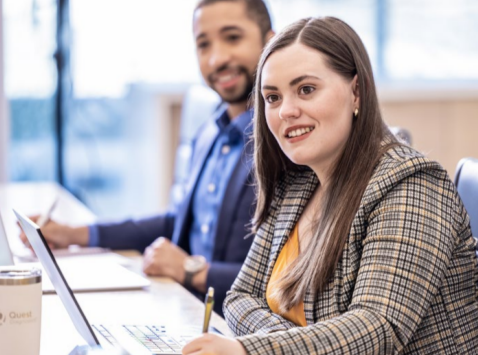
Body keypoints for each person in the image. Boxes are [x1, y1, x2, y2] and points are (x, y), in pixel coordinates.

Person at [182, 17, 478, 355]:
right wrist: (286, 341)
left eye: (306, 89)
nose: (286, 111)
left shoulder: (413, 186)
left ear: (356, 91)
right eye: (273, 97)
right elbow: (238, 298)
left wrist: (251, 350)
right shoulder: (296, 183)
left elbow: (375, 330)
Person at [19, 0, 274, 316]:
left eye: (232, 37)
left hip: (236, 328)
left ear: (270, 41)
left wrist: (192, 270)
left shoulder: (283, 144)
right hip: (186, 307)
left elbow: (286, 278)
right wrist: (75, 234)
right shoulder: (210, 130)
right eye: (203, 44)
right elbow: (175, 221)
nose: (217, 58)